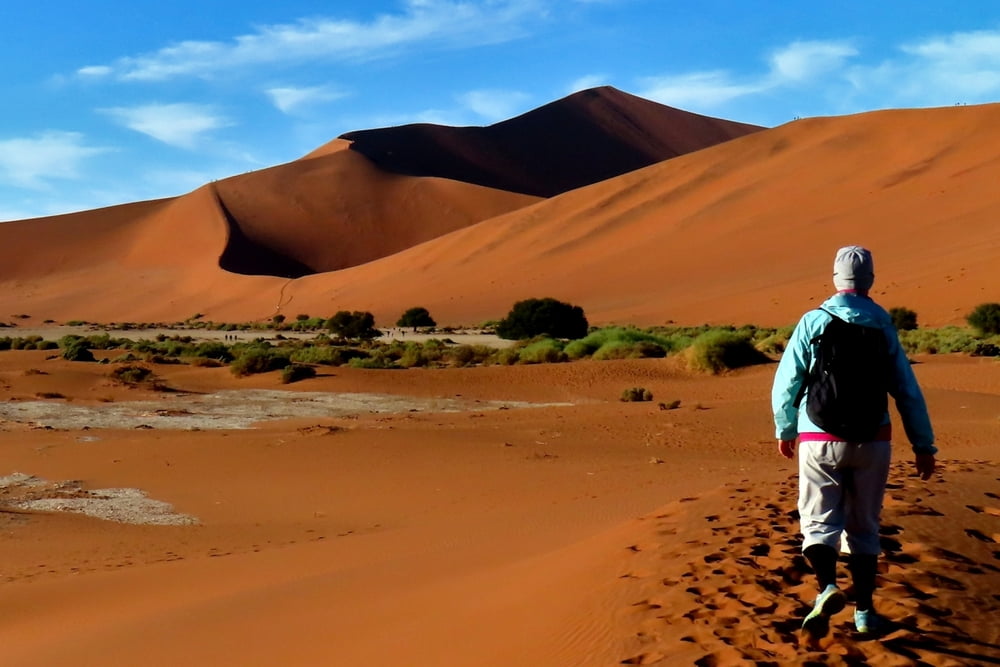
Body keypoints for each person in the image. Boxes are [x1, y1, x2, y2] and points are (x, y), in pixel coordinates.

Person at [771, 245, 936, 639]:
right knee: (864, 528)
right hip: (873, 439)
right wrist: (923, 445)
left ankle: (827, 587)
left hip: (818, 436)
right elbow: (906, 390)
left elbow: (787, 382)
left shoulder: (814, 321)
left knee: (817, 524)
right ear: (870, 281)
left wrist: (786, 428)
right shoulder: (883, 326)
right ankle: (864, 613)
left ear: (834, 279)